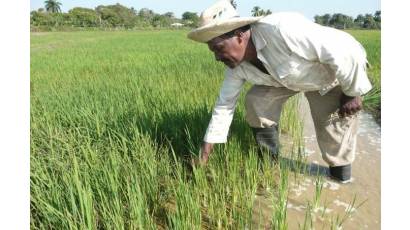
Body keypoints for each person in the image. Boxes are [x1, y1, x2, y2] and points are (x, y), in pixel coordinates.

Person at [187, 0, 372, 183]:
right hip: (284, 80)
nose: (217, 58)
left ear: (239, 35)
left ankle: (340, 179)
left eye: (219, 48)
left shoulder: (282, 29)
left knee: (334, 129)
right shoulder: (236, 66)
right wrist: (204, 155)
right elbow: (224, 106)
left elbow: (346, 51)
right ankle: (270, 162)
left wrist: (352, 93)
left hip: (327, 76)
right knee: (256, 100)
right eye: (213, 51)